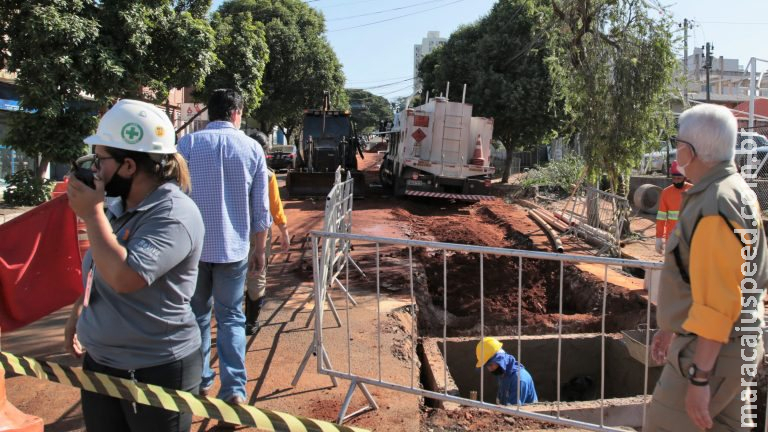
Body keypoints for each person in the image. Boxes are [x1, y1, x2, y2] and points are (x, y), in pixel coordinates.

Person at [64, 99, 205, 431]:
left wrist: (92, 213)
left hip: (156, 370)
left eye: (100, 160)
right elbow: (100, 266)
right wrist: (78, 315)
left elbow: (125, 278)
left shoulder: (174, 214)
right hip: (102, 363)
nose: (93, 168)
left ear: (128, 166)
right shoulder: (118, 206)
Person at [648, 103, 766, 431]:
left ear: (690, 150)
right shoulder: (736, 192)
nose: (675, 151)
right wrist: (671, 326)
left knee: (663, 424)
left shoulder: (714, 204)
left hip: (710, 352)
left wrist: (699, 379)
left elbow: (717, 302)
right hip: (733, 349)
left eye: (678, 143)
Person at [178, 89, 271, 405]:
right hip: (234, 249)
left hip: (192, 250)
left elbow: (174, 198)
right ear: (237, 113)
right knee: (231, 316)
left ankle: (200, 380)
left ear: (209, 113)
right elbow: (261, 209)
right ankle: (234, 389)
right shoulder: (252, 149)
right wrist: (260, 251)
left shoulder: (187, 145)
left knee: (196, 315)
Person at [244, 131, 290, 335]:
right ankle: (251, 322)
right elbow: (275, 206)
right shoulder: (269, 174)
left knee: (233, 273)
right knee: (257, 273)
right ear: (264, 150)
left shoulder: (235, 168)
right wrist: (284, 229)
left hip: (234, 229)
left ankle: (232, 318)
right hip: (259, 233)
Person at [475, 337, 538, 405]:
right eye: (487, 366)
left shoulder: (518, 379)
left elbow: (514, 411)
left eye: (490, 365)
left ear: (499, 359)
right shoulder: (503, 372)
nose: (489, 369)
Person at [655, 160, 693, 254]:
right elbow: (661, 217)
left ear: (685, 177)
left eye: (679, 178)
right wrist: (659, 237)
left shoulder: (693, 190)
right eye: (674, 178)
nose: (676, 181)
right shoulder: (666, 192)